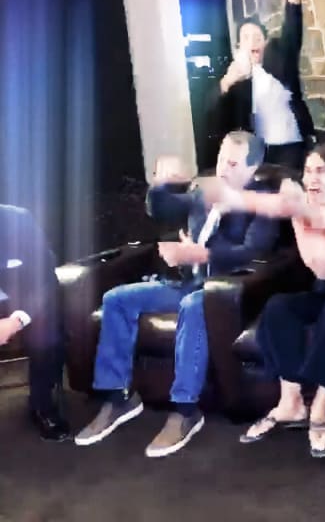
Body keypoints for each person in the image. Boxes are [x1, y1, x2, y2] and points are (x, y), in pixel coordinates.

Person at [74, 131, 280, 457]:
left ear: (253, 168)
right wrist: (160, 184)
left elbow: (252, 251)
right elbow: (159, 209)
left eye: (233, 164)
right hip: (186, 282)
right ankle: (118, 397)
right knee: (117, 299)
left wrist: (199, 253)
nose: (223, 169)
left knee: (193, 304)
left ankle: (185, 410)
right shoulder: (205, 191)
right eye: (221, 160)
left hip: (225, 294)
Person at [203, 143, 325, 459]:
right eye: (308, 171)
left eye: (322, 171)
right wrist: (233, 198)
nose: (312, 178)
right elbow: (271, 205)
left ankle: (321, 409)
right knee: (279, 307)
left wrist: (298, 206)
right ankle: (291, 402)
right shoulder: (300, 210)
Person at [209, 0, 314, 171]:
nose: (253, 41)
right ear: (239, 46)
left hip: (290, 145)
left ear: (265, 43)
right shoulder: (235, 75)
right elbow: (211, 113)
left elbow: (292, 28)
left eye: (258, 37)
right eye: (246, 37)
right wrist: (227, 82)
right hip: (256, 151)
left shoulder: (279, 58)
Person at [0, 204, 68, 441]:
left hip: (21, 300)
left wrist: (16, 321)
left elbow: (44, 278)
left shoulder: (18, 220)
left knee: (47, 327)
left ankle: (42, 405)